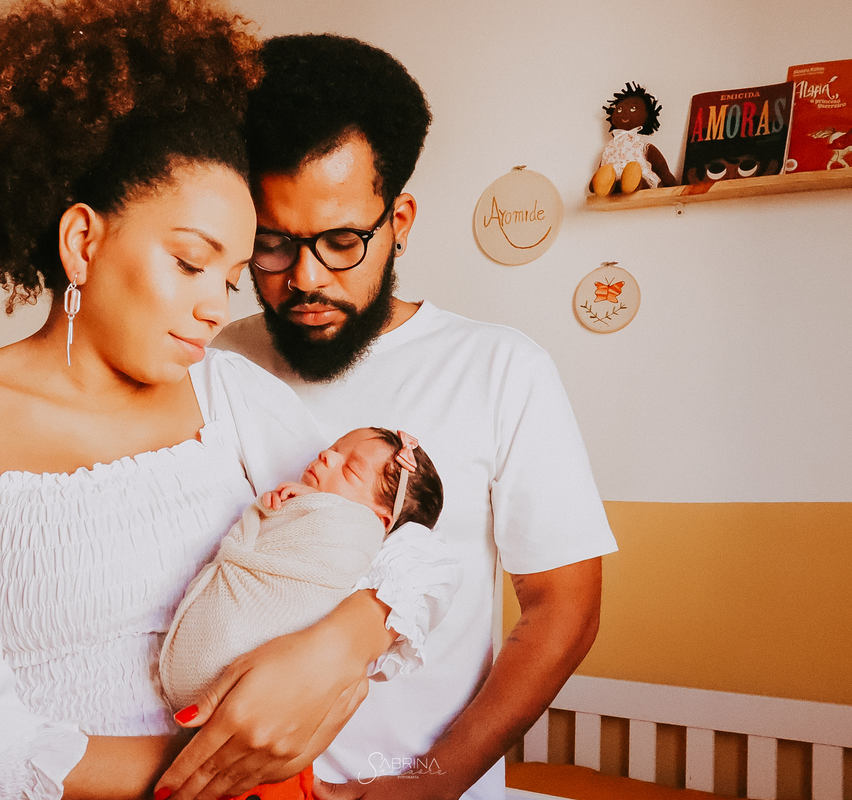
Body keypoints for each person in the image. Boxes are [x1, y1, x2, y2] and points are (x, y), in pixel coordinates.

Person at [0, 5, 451, 799]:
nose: (214, 308)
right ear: (83, 241)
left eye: (230, 278)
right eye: (190, 262)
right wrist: (222, 763)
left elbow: (409, 540)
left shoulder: (229, 394)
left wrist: (343, 641)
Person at [210, 33, 619, 800]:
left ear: (399, 220)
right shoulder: (212, 360)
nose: (305, 277)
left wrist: (432, 785)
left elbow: (562, 607)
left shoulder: (500, 368)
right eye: (272, 244)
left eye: (341, 242)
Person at [160, 427, 445, 714]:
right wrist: (275, 511)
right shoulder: (303, 506)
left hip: (248, 677)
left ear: (381, 521)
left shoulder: (360, 535)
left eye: (351, 470)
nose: (328, 456)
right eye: (335, 447)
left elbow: (347, 536)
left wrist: (314, 505)